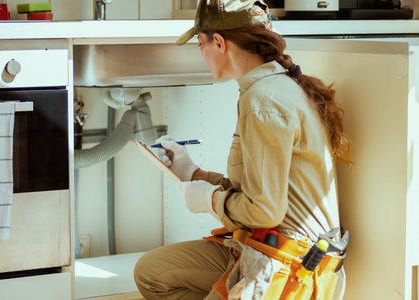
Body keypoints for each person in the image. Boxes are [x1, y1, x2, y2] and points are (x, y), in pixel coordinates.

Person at [134, 0, 350, 299]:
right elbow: (262, 192)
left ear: (219, 42)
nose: (200, 52)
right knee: (152, 272)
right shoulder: (272, 86)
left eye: (200, 42)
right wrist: (193, 173)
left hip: (287, 269)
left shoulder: (263, 101)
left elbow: (263, 210)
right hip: (274, 246)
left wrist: (210, 200)